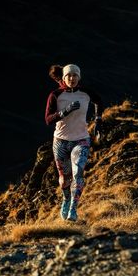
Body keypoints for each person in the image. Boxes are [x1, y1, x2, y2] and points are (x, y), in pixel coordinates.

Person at [44, 63, 103, 221]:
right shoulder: (56, 95)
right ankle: (66, 199)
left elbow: (99, 101)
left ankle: (73, 209)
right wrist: (65, 111)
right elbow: (48, 120)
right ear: (64, 78)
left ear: (79, 77)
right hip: (61, 141)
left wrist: (98, 121)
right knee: (65, 178)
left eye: (75, 75)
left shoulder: (85, 93)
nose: (72, 78)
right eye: (69, 76)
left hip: (81, 140)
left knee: (78, 173)